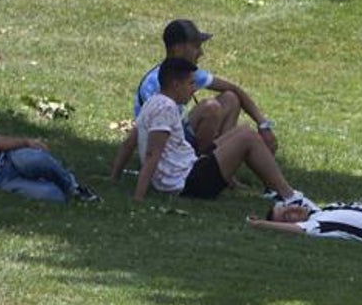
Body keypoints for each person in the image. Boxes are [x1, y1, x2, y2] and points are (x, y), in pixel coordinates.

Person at [124, 57, 318, 209]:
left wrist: (114, 176)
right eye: (191, 84)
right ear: (176, 85)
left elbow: (130, 141)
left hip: (189, 171)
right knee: (248, 136)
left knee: (242, 131)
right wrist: (138, 197)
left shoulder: (153, 102)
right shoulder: (166, 108)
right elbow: (152, 154)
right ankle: (290, 197)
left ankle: (274, 190)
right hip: (188, 183)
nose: (193, 90)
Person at [109, 18, 277, 183]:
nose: (201, 53)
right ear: (177, 49)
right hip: (164, 149)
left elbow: (235, 89)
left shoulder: (188, 74)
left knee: (230, 98)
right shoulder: (155, 83)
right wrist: (123, 180)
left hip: (178, 139)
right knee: (212, 108)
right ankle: (208, 167)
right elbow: (139, 134)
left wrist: (263, 124)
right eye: (196, 46)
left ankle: (223, 168)